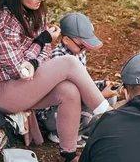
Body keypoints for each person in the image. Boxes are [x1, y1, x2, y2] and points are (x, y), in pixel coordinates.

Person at [0, 0, 111, 162]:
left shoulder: (35, 15)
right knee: (68, 62)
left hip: (20, 86)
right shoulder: (3, 21)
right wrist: (42, 41)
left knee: (69, 91)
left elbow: (43, 57)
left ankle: (68, 157)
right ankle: (109, 117)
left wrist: (39, 49)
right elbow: (17, 68)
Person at [37, 13, 120, 144]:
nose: (84, 49)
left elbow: (83, 84)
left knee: (110, 95)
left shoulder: (78, 52)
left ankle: (83, 129)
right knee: (101, 99)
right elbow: (66, 96)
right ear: (66, 40)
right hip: (53, 114)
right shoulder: (58, 59)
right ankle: (61, 133)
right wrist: (101, 95)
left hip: (73, 100)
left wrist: (102, 85)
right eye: (82, 46)